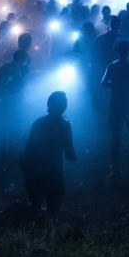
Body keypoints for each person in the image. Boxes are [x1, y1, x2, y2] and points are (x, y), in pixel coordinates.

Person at [20, 91, 77, 219]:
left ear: (49, 104)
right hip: (54, 175)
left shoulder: (38, 123)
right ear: (64, 107)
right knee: (53, 213)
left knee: (35, 209)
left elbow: (28, 148)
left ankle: (34, 228)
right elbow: (70, 155)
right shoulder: (65, 126)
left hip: (35, 174)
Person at [101, 39, 129, 175]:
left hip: (116, 105)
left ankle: (115, 166)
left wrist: (116, 85)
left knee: (116, 136)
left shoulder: (112, 66)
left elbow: (103, 83)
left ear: (117, 51)